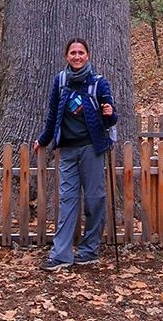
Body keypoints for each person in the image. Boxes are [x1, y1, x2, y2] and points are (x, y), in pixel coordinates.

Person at [34, 38, 118, 270]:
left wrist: (110, 113)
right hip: (68, 150)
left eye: (81, 52)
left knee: (95, 199)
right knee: (68, 201)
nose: (77, 56)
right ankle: (61, 255)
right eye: (73, 52)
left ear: (88, 56)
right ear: (66, 56)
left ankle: (89, 250)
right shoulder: (60, 81)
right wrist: (43, 139)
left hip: (92, 149)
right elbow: (53, 114)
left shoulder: (99, 84)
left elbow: (110, 118)